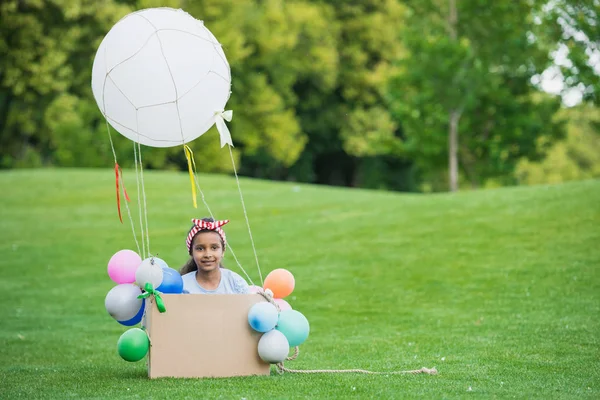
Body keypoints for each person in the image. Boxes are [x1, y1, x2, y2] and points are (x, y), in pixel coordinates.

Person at [180, 217, 249, 294]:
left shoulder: (236, 283)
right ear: (191, 252)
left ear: (223, 251)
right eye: (200, 249)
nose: (208, 255)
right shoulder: (182, 286)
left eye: (214, 248)